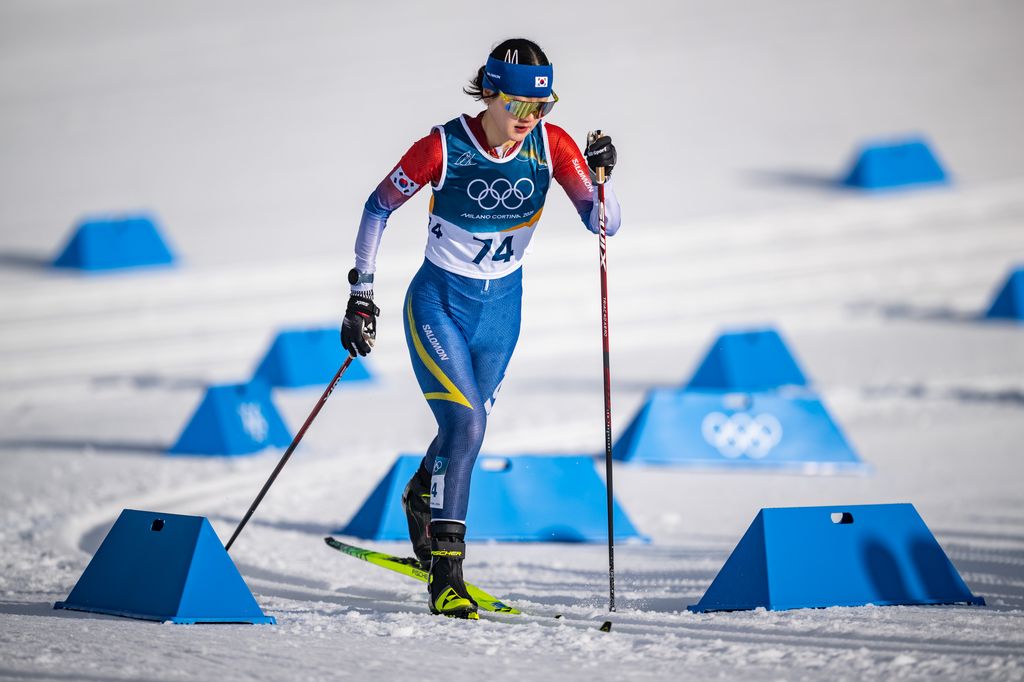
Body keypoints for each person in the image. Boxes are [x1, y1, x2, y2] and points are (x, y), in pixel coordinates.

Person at [340, 37, 621, 620]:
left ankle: (423, 492)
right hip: (439, 303)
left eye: (541, 107)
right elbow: (377, 206)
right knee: (465, 426)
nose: (528, 120)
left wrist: (602, 180)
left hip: (503, 311)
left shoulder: (550, 144)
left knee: (467, 430)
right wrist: (362, 294)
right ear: (490, 92)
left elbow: (604, 223)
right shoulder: (443, 145)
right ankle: (446, 576)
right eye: (519, 106)